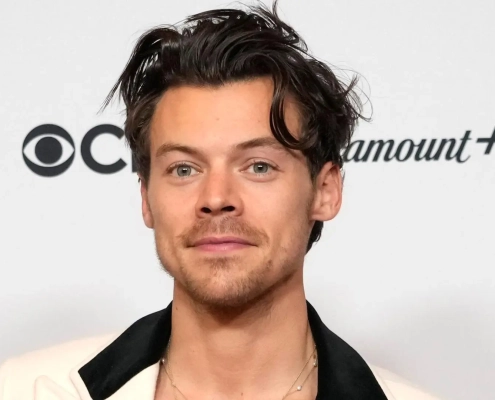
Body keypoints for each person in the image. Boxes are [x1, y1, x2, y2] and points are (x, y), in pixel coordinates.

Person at [0, 1, 442, 399]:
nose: (216, 198)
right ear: (146, 198)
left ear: (325, 191)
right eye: (184, 169)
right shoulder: (25, 390)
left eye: (258, 166)